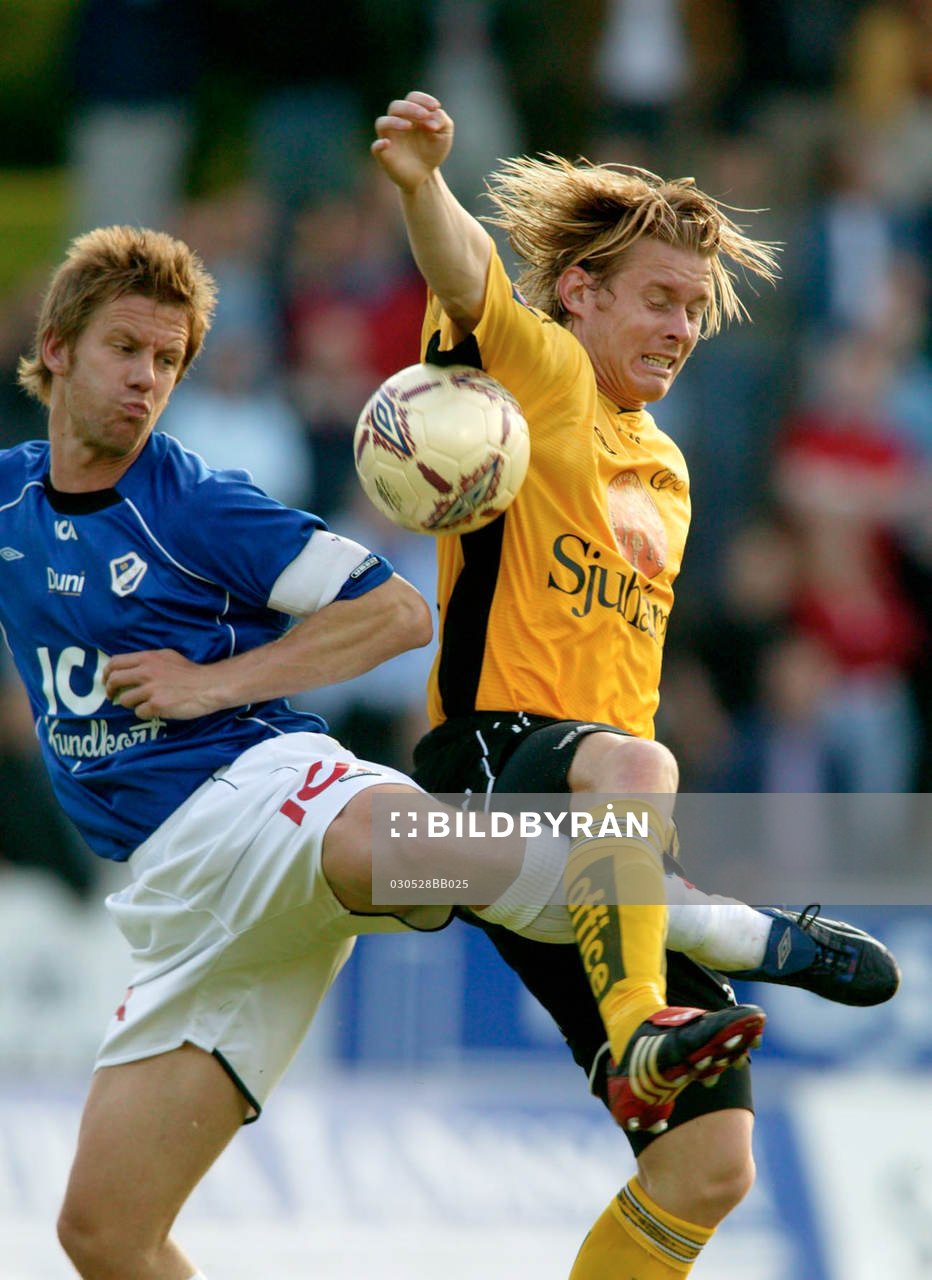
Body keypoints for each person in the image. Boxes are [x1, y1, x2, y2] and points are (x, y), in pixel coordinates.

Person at [0, 224, 616, 1280]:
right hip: (180, 902)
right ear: (55, 348)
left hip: (256, 788)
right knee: (103, 1232)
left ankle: (703, 907)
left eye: (167, 359)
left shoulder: (190, 499)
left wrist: (211, 683)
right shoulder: (11, 495)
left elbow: (394, 609)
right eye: (126, 350)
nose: (148, 378)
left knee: (397, 851)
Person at [372, 91, 900, 1278]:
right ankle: (640, 1029)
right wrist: (420, 186)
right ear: (579, 293)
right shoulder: (540, 375)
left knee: (709, 1168)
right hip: (493, 762)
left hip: (598, 818)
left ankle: (686, 936)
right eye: (658, 299)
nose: (680, 327)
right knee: (633, 764)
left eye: (695, 310)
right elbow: (467, 277)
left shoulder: (661, 458)